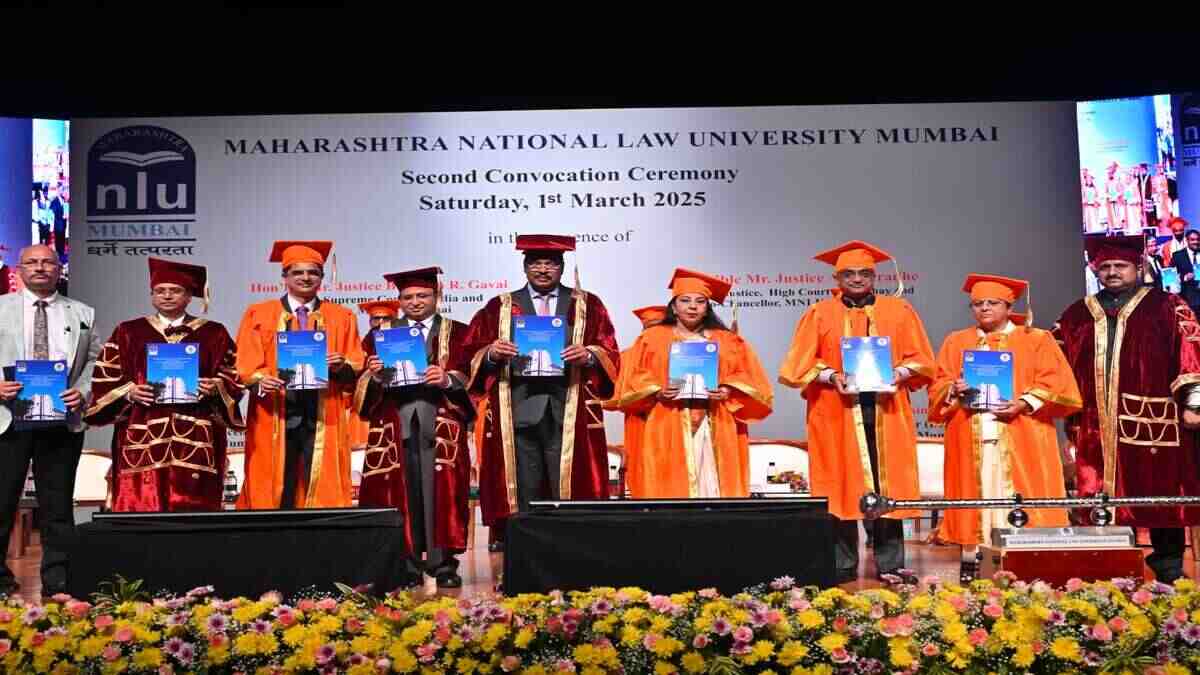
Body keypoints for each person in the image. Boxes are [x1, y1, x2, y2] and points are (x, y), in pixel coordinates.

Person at [778, 240, 935, 582]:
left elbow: (921, 359)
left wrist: (900, 372)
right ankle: (842, 565)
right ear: (837, 277)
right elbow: (798, 366)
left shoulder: (899, 311)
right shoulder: (819, 313)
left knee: (889, 483)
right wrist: (831, 374)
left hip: (887, 409)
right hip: (836, 411)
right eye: (849, 273)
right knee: (840, 484)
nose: (857, 279)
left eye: (864, 272)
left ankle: (892, 565)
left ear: (873, 275)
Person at [1055, 234, 1200, 583]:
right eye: (1105, 267)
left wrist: (1194, 404)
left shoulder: (1167, 305)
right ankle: (1109, 574)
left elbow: (1192, 355)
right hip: (1094, 425)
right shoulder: (1077, 314)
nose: (1112, 272)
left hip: (1155, 423)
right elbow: (1053, 360)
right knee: (1101, 498)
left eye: (1120, 266)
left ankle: (1169, 572)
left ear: (1137, 267)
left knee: (1162, 499)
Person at [464, 234, 619, 549]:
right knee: (524, 480)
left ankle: (571, 544)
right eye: (536, 262)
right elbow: (469, 352)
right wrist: (492, 353)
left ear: (561, 267)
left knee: (570, 478)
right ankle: (525, 545)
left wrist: (589, 355)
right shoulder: (500, 306)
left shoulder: (587, 304)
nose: (543, 269)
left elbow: (610, 349)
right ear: (525, 266)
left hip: (570, 405)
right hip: (518, 405)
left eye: (551, 263)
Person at [928, 274, 1081, 582]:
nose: (984, 308)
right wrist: (953, 389)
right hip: (970, 434)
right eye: (977, 303)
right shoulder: (956, 341)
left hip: (1022, 434)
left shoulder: (1036, 339)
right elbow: (937, 386)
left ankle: (1025, 570)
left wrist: (1022, 403)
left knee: (1020, 497)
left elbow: (1057, 385)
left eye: (992, 302)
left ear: (1009, 305)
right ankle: (976, 570)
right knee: (976, 505)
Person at [85, 258, 244, 511]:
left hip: (195, 432)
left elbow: (235, 373)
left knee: (195, 506)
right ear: (151, 294)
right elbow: (105, 376)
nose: (167, 296)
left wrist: (216, 386)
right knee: (141, 505)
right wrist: (130, 391)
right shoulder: (128, 332)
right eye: (160, 290)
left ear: (189, 295)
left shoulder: (214, 333)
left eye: (175, 290)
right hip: (144, 429)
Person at [356, 267, 473, 589]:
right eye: (408, 297)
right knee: (400, 491)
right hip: (396, 420)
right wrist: (375, 374)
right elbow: (363, 382)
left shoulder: (460, 333)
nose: (415, 302)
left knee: (444, 491)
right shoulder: (380, 334)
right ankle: (406, 563)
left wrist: (447, 378)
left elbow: (471, 377)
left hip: (440, 419)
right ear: (399, 300)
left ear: (438, 297)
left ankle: (444, 563)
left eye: (423, 295)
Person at [616, 270, 772, 497]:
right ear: (673, 306)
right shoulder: (652, 339)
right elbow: (634, 376)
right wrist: (657, 391)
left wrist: (728, 389)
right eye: (685, 301)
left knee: (713, 483)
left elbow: (749, 375)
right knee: (669, 485)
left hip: (715, 419)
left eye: (700, 302)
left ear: (707, 307)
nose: (692, 307)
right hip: (667, 419)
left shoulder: (728, 340)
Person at [0, 244, 101, 596]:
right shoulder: (0, 308)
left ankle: (57, 579)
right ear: (19, 270)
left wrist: (84, 392)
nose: (41, 268)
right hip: (7, 418)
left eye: (48, 262)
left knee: (57, 505)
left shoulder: (82, 313)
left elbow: (94, 363)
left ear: (59, 269)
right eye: (33, 262)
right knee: (1, 500)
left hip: (61, 418)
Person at [234, 240, 365, 508]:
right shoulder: (259, 314)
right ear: (284, 277)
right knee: (275, 480)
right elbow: (246, 363)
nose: (306, 278)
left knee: (319, 479)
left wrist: (341, 365)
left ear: (322, 277)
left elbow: (356, 362)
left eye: (313, 272)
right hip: (275, 410)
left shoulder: (342, 316)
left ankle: (318, 540)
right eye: (297, 272)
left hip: (323, 410)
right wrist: (261, 379)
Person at [606, 305, 668, 497]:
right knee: (647, 475)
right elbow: (615, 399)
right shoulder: (628, 356)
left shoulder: (682, 354)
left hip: (666, 422)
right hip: (644, 424)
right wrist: (652, 395)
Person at [1169, 226, 1200, 313]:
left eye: (1198, 239)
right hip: (1188, 300)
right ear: (1187, 240)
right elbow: (1170, 278)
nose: (1196, 242)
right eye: (1193, 240)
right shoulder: (1177, 256)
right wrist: (1184, 277)